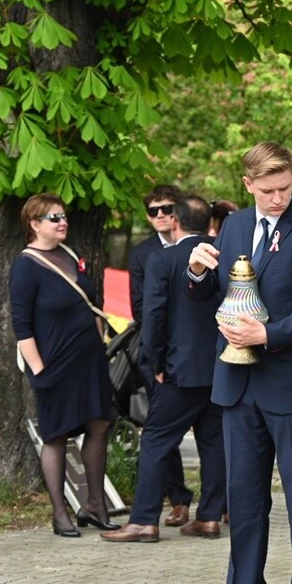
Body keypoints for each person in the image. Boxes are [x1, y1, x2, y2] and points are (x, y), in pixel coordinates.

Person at [187, 142, 292, 584]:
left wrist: (268, 335)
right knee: (245, 502)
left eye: (286, 188)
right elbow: (217, 294)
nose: (279, 198)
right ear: (247, 185)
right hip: (237, 384)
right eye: (269, 190)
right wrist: (195, 272)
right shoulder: (231, 226)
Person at [102, 196, 226, 543]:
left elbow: (153, 315)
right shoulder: (226, 254)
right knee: (214, 443)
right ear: (208, 223)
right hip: (221, 366)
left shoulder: (163, 258)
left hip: (178, 368)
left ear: (175, 222)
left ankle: (143, 519)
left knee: (156, 439)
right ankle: (210, 517)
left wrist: (154, 362)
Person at [9, 193, 118, 538]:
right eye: (54, 218)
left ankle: (95, 504)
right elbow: (21, 325)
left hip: (89, 362)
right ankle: (60, 513)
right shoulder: (26, 264)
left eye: (63, 216)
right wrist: (39, 370)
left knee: (99, 424)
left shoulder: (69, 254)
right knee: (56, 436)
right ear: (34, 224)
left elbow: (91, 303)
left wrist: (99, 343)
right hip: (54, 365)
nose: (62, 222)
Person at [128, 184, 194, 529]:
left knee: (212, 434)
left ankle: (217, 507)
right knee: (161, 434)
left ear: (178, 212)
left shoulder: (205, 245)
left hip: (197, 356)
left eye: (166, 208)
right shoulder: (143, 254)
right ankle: (178, 500)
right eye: (152, 210)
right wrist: (157, 359)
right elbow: (143, 310)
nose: (159, 216)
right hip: (164, 358)